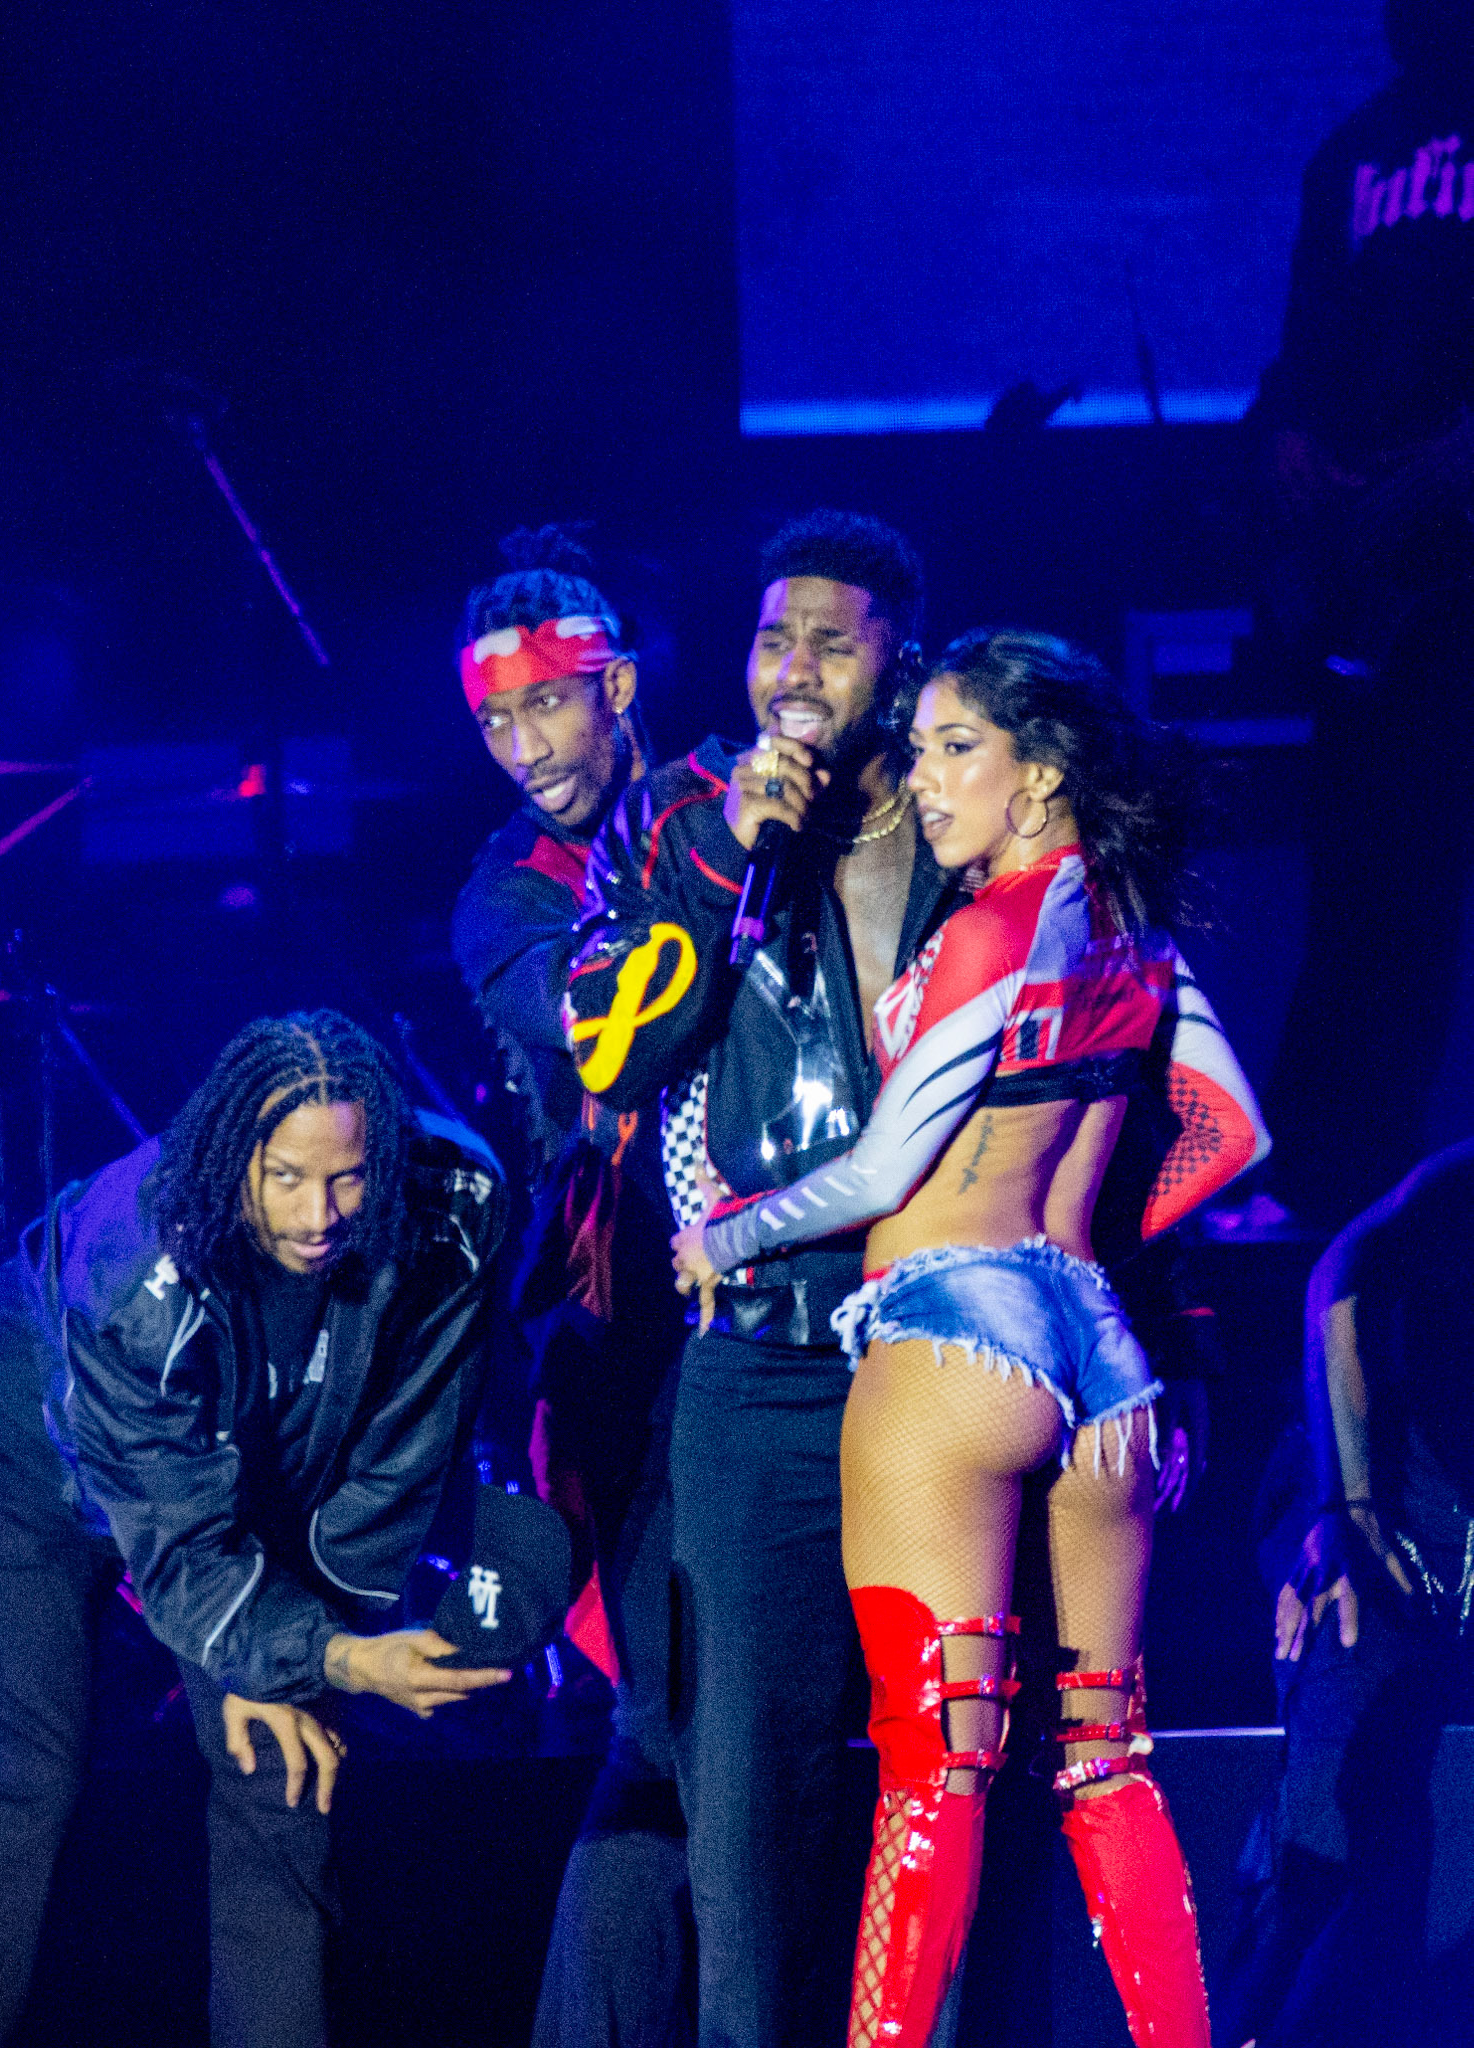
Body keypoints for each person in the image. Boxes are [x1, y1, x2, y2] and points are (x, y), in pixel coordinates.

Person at [670, 630, 1270, 2048]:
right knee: (1107, 1757)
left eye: (957, 749)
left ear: (1039, 774)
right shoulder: (1135, 928)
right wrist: (1089, 1240)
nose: (927, 778)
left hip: (952, 1341)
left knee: (933, 1765)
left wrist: (730, 1235)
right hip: (1098, 1357)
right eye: (923, 746)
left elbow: (885, 1167)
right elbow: (1234, 1132)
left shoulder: (993, 926)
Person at [0, 1010, 511, 2048]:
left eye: (349, 1177)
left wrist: (302, 1650)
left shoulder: (453, 1203)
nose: (320, 1215)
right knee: (23, 1778)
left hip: (237, 1474)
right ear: (235, 1159)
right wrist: (312, 1652)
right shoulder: (137, 1269)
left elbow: (400, 1451)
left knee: (283, 1778)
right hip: (28, 1450)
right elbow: (173, 1540)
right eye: (286, 1178)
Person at [564, 509, 956, 2046]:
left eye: (830, 644)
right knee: (744, 1804)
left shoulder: (962, 808)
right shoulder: (678, 818)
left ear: (897, 665)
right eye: (771, 639)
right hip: (759, 1361)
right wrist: (731, 851)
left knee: (947, 1773)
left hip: (939, 1351)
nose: (792, 670)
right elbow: (609, 1051)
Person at [450, 527, 695, 2047]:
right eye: (495, 720)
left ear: (615, 685)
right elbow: (612, 1021)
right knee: (662, 1722)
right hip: (621, 1338)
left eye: (546, 704)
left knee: (740, 1728)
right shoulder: (505, 895)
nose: (525, 748)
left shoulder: (710, 803)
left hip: (782, 1317)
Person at [1255, 0, 1474, 1226]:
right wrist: (1288, 433)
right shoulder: (1351, 154)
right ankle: (1333, 1197)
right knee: (1366, 906)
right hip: (1387, 595)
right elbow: (1306, 346)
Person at [1219, 1137, 1474, 2048]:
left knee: (1391, 1836)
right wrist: (1346, 1507)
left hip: (1448, 1527)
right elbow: (1340, 1274)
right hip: (1376, 1508)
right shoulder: (1459, 1182)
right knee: (1327, 1819)